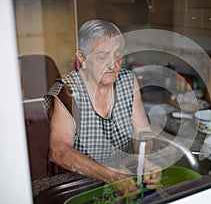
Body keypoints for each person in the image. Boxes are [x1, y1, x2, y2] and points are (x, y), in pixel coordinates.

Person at [43, 20, 161, 194]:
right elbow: (59, 150)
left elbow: (142, 130)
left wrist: (144, 160)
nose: (113, 65)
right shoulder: (68, 91)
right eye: (102, 56)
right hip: (77, 183)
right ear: (82, 57)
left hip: (123, 175)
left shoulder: (128, 81)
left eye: (117, 55)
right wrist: (110, 176)